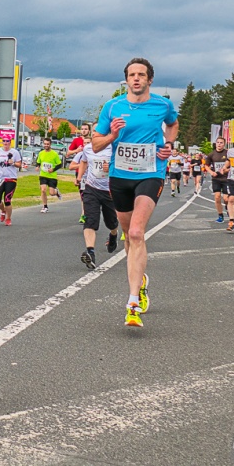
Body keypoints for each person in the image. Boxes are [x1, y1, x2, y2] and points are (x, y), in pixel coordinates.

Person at [92, 58, 178, 328]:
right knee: (128, 235)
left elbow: (173, 124)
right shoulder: (113, 106)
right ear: (126, 80)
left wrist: (169, 144)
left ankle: (132, 301)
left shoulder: (162, 105)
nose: (137, 79)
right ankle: (139, 280)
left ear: (149, 79)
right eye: (132, 75)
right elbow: (95, 145)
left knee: (138, 233)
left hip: (151, 173)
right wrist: (112, 136)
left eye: (141, 75)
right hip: (120, 177)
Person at [78, 125, 119, 270]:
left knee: (111, 222)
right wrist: (79, 176)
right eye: (94, 130)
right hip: (91, 188)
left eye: (99, 130)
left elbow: (125, 165)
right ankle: (90, 252)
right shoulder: (88, 148)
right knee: (90, 220)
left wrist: (112, 166)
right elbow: (83, 161)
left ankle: (113, 235)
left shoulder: (114, 147)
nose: (96, 133)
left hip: (109, 190)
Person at [0, 136, 23, 226]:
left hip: (11, 178)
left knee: (7, 200)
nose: (5, 143)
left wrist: (13, 163)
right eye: (4, 141)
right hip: (0, 178)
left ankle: (8, 218)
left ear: (10, 142)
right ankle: (3, 210)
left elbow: (19, 164)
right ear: (2, 142)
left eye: (7, 141)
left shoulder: (15, 152)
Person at [204, 137, 230, 224]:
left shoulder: (228, 153)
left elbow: (232, 164)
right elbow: (206, 166)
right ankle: (220, 215)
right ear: (216, 144)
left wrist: (227, 170)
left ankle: (227, 206)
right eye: (218, 142)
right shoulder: (211, 154)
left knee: (226, 198)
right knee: (217, 197)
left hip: (226, 178)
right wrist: (211, 172)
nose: (219, 144)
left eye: (221, 143)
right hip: (216, 178)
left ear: (224, 144)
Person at [35, 137, 63, 213]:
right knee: (43, 190)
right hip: (43, 175)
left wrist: (53, 169)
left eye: (48, 144)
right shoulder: (41, 153)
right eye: (45, 144)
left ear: (50, 144)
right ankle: (45, 206)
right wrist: (37, 166)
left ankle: (56, 192)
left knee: (51, 193)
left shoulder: (54, 154)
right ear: (43, 144)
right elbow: (38, 162)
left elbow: (60, 165)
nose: (46, 145)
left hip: (52, 176)